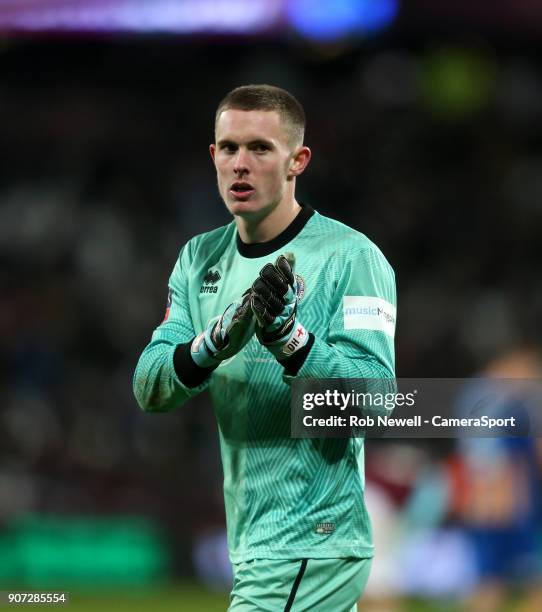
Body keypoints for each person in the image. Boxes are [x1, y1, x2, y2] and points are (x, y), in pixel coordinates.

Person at [133, 84, 397, 611]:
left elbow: (379, 404)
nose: (240, 165)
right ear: (213, 156)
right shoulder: (198, 259)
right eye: (229, 148)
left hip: (311, 540)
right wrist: (211, 344)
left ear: (297, 160)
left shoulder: (351, 257)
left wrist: (290, 341)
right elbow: (149, 385)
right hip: (254, 542)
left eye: (260, 148)